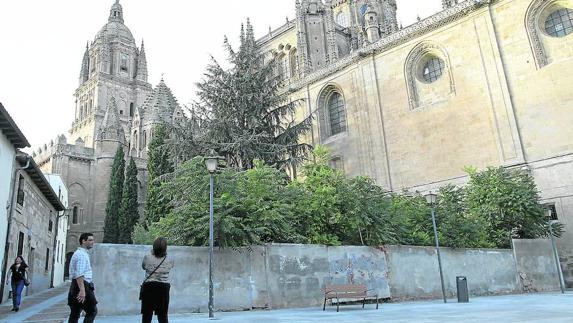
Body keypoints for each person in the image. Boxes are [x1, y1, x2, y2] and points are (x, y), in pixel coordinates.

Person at [141, 237, 174, 323]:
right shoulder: (170, 260)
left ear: (154, 247)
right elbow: (170, 267)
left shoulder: (147, 257)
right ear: (165, 248)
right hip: (163, 289)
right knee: (163, 316)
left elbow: (143, 267)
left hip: (149, 287)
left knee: (146, 316)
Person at [68, 232, 97, 323]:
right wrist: (82, 290)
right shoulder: (81, 254)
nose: (93, 242)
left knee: (75, 312)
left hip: (77, 286)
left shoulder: (81, 253)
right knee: (92, 311)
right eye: (90, 240)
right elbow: (79, 274)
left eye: (93, 240)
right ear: (83, 241)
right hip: (82, 285)